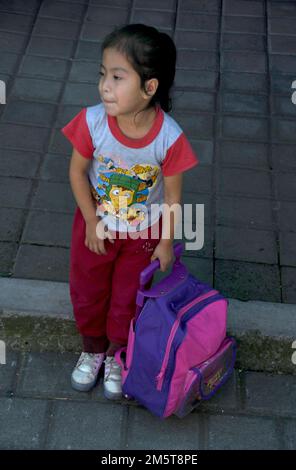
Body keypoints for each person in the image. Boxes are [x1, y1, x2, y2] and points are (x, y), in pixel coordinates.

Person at [61, 23, 199, 400]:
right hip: (96, 228)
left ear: (149, 87)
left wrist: (165, 243)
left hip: (142, 236)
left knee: (127, 299)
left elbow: (172, 199)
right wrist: (91, 220)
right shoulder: (92, 123)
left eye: (118, 77)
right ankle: (91, 348)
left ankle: (116, 354)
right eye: (103, 74)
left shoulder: (169, 139)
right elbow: (76, 171)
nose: (105, 85)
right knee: (89, 291)